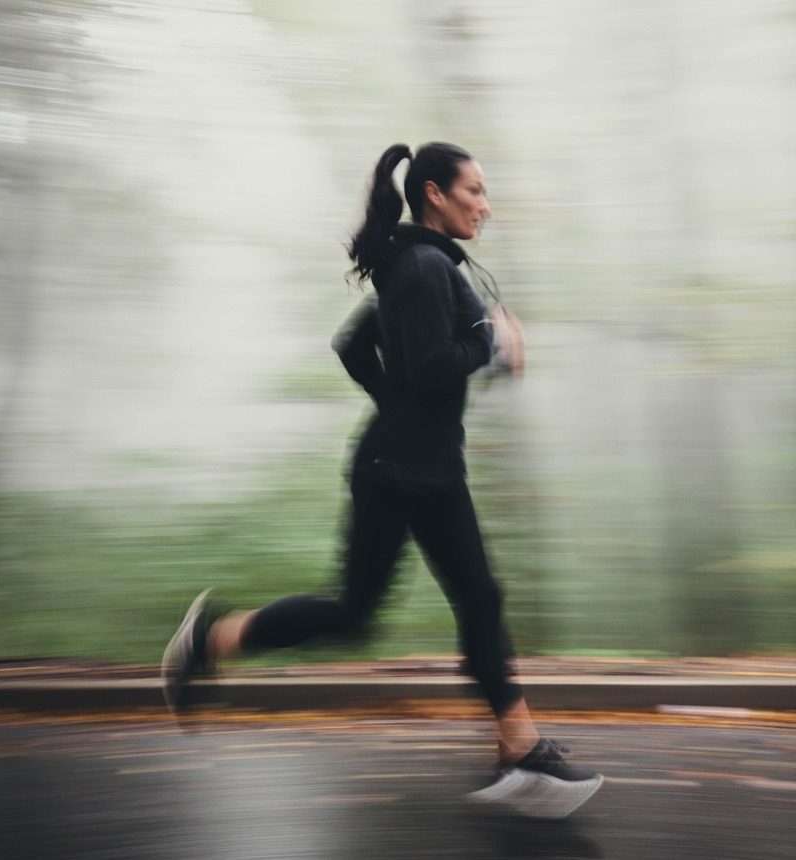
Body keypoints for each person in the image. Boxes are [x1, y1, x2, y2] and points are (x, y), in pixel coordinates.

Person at [162, 142, 602, 818]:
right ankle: (210, 638)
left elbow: (353, 346)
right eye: (475, 191)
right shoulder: (425, 266)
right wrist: (492, 344)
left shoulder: (413, 265)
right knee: (364, 611)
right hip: (402, 472)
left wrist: (398, 405)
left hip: (416, 464)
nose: (486, 205)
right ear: (433, 192)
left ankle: (519, 746)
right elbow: (431, 366)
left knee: (466, 600)